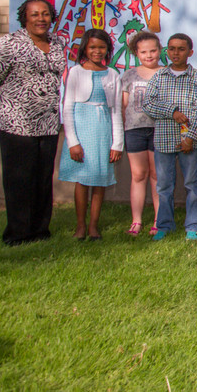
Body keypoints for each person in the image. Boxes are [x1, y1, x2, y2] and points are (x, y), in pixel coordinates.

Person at [0, 0, 68, 246]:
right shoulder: (9, 43)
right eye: (35, 15)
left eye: (46, 14)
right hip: (16, 122)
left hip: (49, 122)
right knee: (19, 179)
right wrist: (1, 109)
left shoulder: (58, 42)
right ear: (24, 18)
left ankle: (40, 230)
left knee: (42, 177)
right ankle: (17, 234)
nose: (41, 19)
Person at [142, 33, 197, 241]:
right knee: (164, 185)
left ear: (190, 52)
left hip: (190, 142)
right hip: (163, 140)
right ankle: (164, 225)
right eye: (172, 48)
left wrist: (190, 137)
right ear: (167, 51)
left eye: (181, 49)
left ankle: (193, 225)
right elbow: (148, 104)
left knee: (192, 184)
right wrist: (171, 111)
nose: (176, 53)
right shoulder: (159, 76)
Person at [58, 28, 123, 241]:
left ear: (108, 49)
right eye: (93, 47)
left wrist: (117, 144)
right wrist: (73, 142)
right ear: (85, 48)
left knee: (100, 180)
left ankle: (94, 226)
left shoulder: (112, 74)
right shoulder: (76, 72)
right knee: (82, 180)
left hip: (103, 131)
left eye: (102, 47)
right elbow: (67, 108)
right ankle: (80, 226)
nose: (97, 51)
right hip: (82, 128)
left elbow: (115, 110)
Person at [119, 31, 162, 237]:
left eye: (153, 50)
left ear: (160, 50)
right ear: (137, 53)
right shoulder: (128, 75)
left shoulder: (166, 73)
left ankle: (158, 220)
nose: (149, 55)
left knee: (156, 175)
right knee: (138, 175)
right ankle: (136, 221)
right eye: (144, 52)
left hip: (159, 130)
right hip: (134, 131)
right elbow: (123, 106)